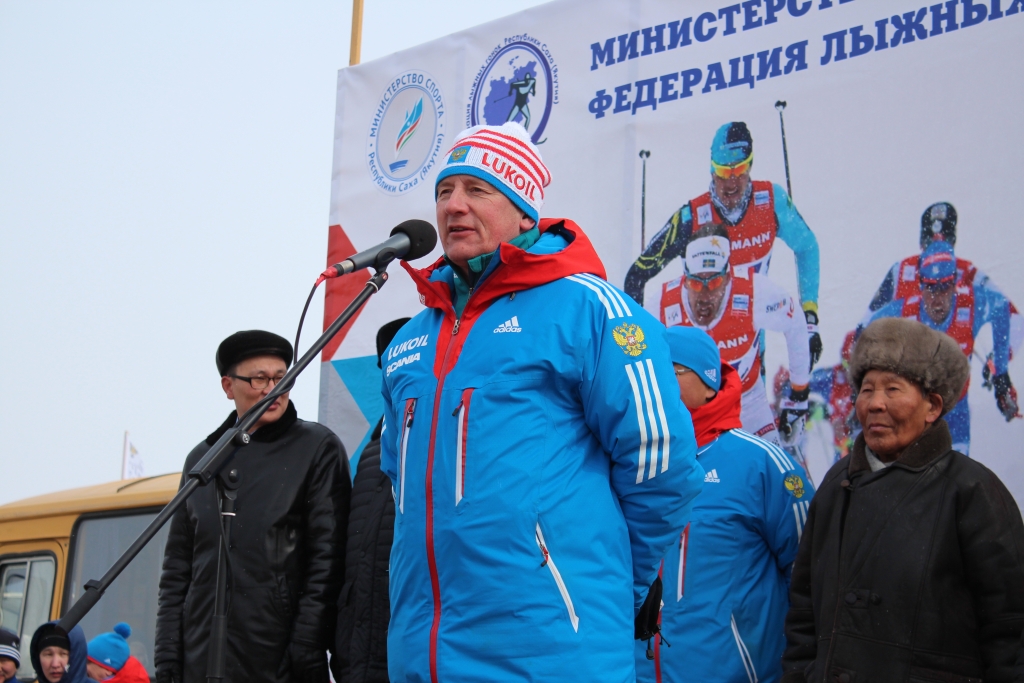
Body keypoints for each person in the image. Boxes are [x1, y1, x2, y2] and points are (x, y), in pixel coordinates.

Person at [380, 121, 705, 681]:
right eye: (443, 192)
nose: (453, 206)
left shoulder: (592, 309)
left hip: (552, 649)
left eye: (476, 190)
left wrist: (601, 588)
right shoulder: (413, 338)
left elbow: (662, 467)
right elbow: (399, 487)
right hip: (424, 654)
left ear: (524, 209)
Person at [782, 317, 1024, 682]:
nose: (875, 403)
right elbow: (804, 612)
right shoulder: (836, 484)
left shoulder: (972, 492)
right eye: (866, 389)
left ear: (932, 407)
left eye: (893, 389)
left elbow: (1010, 631)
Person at [155, 330, 349, 683]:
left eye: (282, 378)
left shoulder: (317, 447)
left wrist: (308, 641)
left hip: (279, 652)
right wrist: (168, 651)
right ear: (228, 386)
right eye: (259, 378)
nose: (272, 389)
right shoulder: (203, 459)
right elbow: (178, 568)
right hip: (201, 653)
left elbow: (328, 558)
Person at [636, 326, 813, 683]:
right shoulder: (630, 463)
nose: (655, 383)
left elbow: (811, 575)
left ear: (708, 383)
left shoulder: (760, 464)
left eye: (669, 371)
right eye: (648, 373)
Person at [623, 121, 823, 367]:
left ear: (750, 165)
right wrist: (636, 347)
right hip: (699, 351)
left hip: (749, 347)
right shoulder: (691, 217)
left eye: (739, 170)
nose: (732, 182)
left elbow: (807, 247)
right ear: (711, 170)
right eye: (724, 172)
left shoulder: (771, 202)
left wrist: (810, 316)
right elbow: (636, 276)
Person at [863, 239, 1020, 453]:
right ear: (920, 285)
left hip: (956, 413)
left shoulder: (971, 303)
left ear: (955, 283)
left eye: (944, 287)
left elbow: (1002, 309)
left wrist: (1001, 373)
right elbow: (866, 331)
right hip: (916, 415)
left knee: (955, 480)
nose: (937, 298)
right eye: (930, 287)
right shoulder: (905, 312)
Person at [659, 225, 811, 446]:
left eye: (714, 282)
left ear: (728, 277)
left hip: (748, 404)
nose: (704, 295)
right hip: (693, 413)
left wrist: (799, 393)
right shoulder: (662, 304)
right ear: (684, 279)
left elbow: (795, 323)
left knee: (770, 472)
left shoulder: (755, 292)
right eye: (695, 282)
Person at [331, 318, 408, 683]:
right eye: (390, 365)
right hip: (359, 655)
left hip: (414, 651)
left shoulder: (458, 436)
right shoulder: (371, 451)